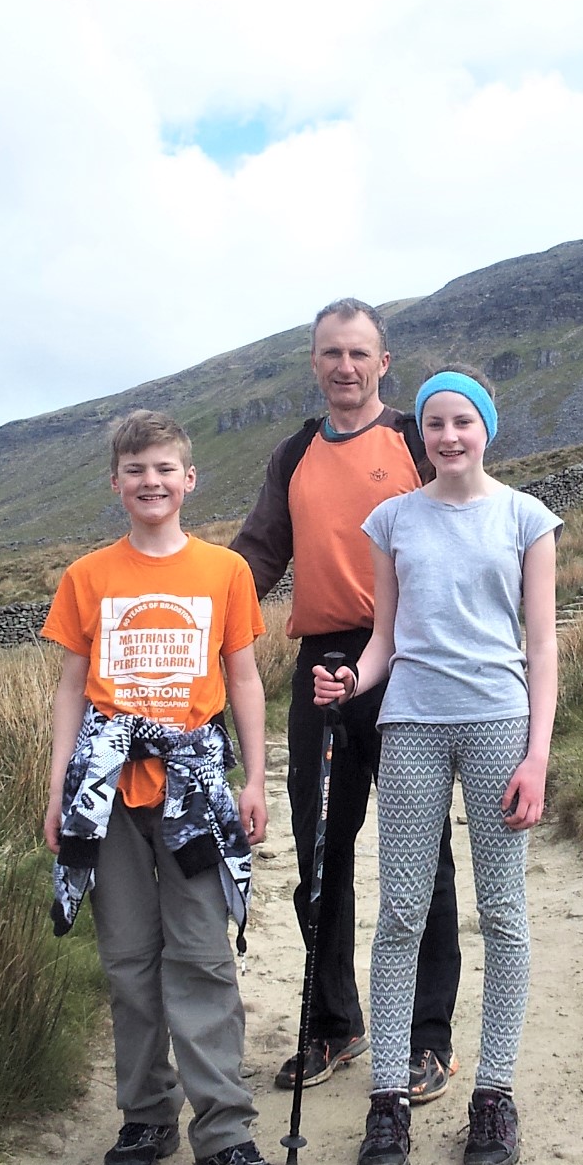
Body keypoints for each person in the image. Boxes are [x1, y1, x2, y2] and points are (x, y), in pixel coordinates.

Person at [313, 369, 560, 1165]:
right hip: (410, 723)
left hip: (497, 721)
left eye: (463, 421)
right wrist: (353, 680)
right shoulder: (390, 521)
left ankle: (493, 1092)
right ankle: (387, 1099)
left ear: (487, 426)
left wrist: (537, 755)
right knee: (402, 912)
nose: (448, 436)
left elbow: (541, 648)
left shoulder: (527, 519)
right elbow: (383, 637)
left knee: (503, 912)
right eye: (434, 424)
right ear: (418, 434)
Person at [41, 408, 284, 1165]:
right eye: (135, 470)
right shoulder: (87, 577)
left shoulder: (224, 573)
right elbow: (72, 687)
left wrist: (254, 778)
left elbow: (243, 678)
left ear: (190, 480)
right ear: (116, 483)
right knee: (128, 961)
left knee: (203, 957)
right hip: (106, 794)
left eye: (164, 468)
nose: (151, 482)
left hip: (195, 789)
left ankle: (225, 1132)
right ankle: (145, 1116)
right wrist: (58, 793)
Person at [231, 300, 462, 1105]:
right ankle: (334, 1025)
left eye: (358, 353)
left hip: (412, 665)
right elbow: (257, 553)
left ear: (383, 361)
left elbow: (466, 521)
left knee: (421, 859)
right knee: (320, 857)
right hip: (322, 666)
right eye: (330, 353)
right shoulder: (293, 453)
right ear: (315, 363)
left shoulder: (411, 440)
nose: (344, 366)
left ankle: (427, 1041)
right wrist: (196, 609)